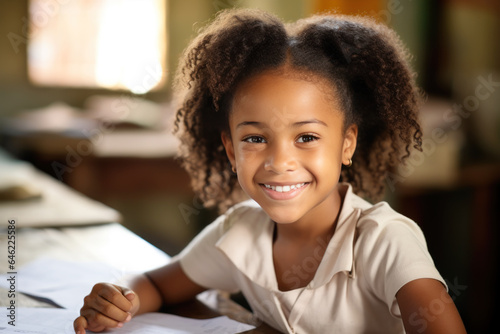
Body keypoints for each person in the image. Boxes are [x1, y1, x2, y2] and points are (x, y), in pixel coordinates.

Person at [74, 9, 467, 334]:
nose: (280, 162)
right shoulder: (240, 231)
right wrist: (120, 297)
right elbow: (159, 283)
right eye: (256, 139)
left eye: (307, 137)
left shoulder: (383, 240)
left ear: (347, 143)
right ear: (230, 148)